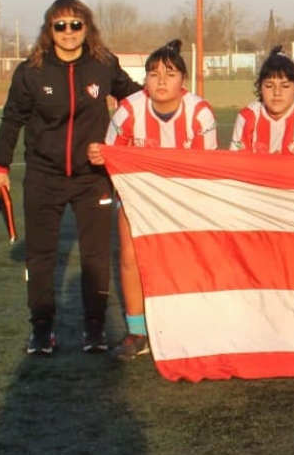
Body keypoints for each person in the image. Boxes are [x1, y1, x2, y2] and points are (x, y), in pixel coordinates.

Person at [0, 0, 142, 356]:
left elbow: (134, 100)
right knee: (40, 256)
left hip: (93, 178)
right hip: (45, 175)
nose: (68, 32)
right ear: (49, 30)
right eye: (61, 25)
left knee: (96, 256)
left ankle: (94, 330)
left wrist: (168, 101)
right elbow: (12, 120)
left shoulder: (104, 65)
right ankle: (41, 329)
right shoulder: (31, 71)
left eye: (76, 25)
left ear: (87, 29)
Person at [87, 39, 217, 361]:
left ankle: (186, 325)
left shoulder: (200, 112)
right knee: (130, 257)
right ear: (144, 79)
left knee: (186, 259)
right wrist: (98, 155)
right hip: (137, 196)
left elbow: (206, 167)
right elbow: (111, 155)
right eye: (153, 73)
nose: (161, 80)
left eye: (169, 74)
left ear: (182, 82)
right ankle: (137, 331)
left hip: (185, 197)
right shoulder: (129, 109)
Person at [231, 46, 294, 157]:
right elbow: (237, 165)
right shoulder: (247, 117)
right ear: (260, 88)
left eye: (285, 86)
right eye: (269, 86)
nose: (277, 92)